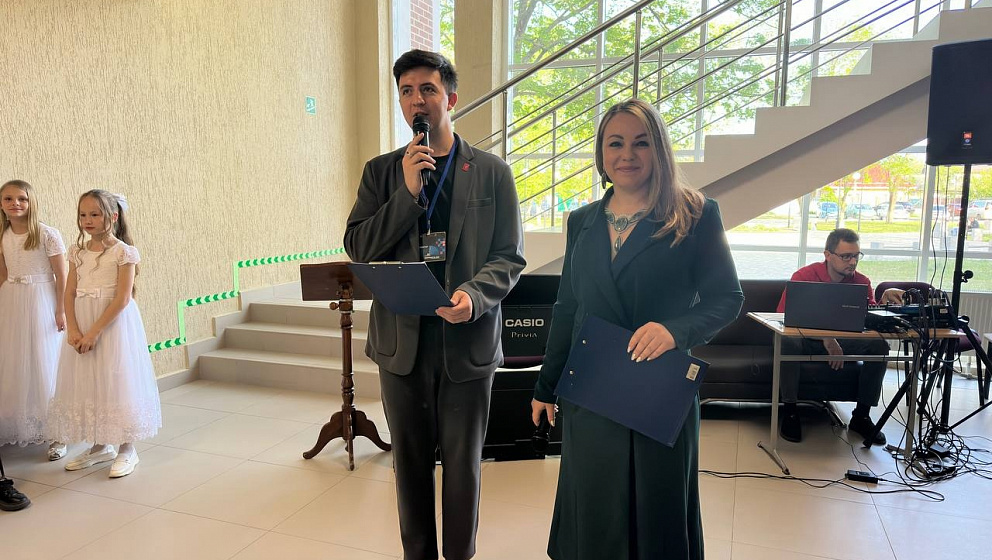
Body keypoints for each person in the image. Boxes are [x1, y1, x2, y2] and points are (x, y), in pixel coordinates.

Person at [531, 98, 743, 560]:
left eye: (641, 143)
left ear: (659, 149)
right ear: (601, 153)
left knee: (656, 511)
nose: (627, 154)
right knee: (595, 508)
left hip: (658, 387)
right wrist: (546, 386)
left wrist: (675, 330)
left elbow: (728, 298)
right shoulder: (582, 221)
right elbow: (568, 308)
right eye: (616, 143)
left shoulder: (695, 214)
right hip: (592, 388)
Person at [343, 49, 525, 560]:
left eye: (427, 89)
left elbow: (509, 256)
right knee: (410, 466)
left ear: (451, 97)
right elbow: (358, 246)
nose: (417, 100)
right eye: (406, 91)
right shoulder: (381, 172)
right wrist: (405, 194)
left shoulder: (492, 172)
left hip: (466, 341)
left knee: (463, 467)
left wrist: (475, 295)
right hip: (401, 345)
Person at [46, 190, 161, 479]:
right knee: (90, 381)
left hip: (113, 325)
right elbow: (69, 292)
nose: (87, 220)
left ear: (113, 216)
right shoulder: (77, 251)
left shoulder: (124, 252)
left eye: (95, 214)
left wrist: (95, 332)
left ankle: (127, 448)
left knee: (116, 379)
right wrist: (73, 328)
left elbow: (123, 298)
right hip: (82, 321)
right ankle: (100, 445)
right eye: (83, 215)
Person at [775, 228, 903, 444]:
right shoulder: (804, 277)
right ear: (828, 255)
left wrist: (884, 303)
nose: (852, 262)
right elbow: (784, 318)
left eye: (856, 256)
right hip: (807, 340)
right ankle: (790, 411)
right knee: (787, 342)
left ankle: (861, 416)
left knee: (879, 346)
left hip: (844, 341)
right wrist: (827, 338)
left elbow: (868, 319)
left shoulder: (862, 282)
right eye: (846, 256)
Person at [0, 180, 69, 461]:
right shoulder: (3, 234)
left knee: (44, 360)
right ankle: (18, 424)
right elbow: (3, 273)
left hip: (41, 298)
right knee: (15, 360)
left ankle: (58, 433)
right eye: (8, 199)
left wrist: (61, 309)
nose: (15, 204)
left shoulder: (46, 234)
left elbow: (62, 275)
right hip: (12, 299)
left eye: (22, 198)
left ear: (31, 202)